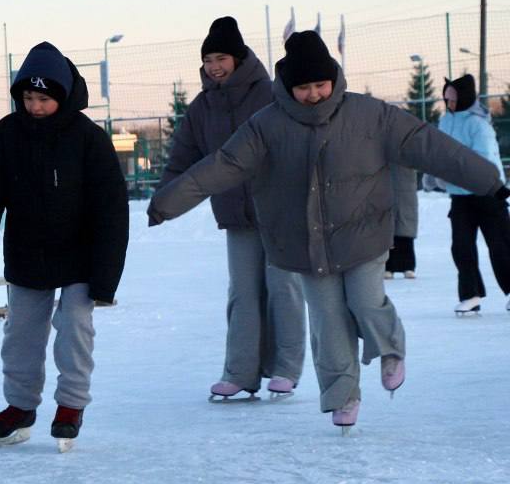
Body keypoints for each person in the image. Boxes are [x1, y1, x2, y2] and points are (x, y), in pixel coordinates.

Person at [149, 32, 508, 431]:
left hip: (363, 233)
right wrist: (167, 202)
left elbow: (428, 146)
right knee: (327, 320)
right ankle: (342, 396)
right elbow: (223, 165)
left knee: (365, 301)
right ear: (288, 87)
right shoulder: (266, 126)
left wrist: (488, 180)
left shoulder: (370, 114)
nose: (314, 94)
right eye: (303, 87)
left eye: (321, 84)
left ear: (333, 79)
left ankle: (390, 349)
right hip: (304, 241)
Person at [0, 41, 129, 450]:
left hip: (80, 256)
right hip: (28, 253)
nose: (35, 107)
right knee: (20, 333)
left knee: (74, 327)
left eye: (44, 99)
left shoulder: (89, 139)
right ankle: (20, 406)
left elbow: (111, 211)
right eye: (28, 98)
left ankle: (70, 404)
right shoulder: (8, 134)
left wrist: (105, 278)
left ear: (64, 96)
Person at [157, 17, 307, 402]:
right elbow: (183, 157)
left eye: (221, 58)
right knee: (242, 292)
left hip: (280, 210)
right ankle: (240, 372)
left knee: (283, 288)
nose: (214, 67)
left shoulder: (271, 93)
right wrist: (164, 200)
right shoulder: (202, 107)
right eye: (208, 60)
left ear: (238, 59)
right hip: (236, 213)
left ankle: (286, 368)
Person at [435, 74, 510, 314]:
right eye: (446, 99)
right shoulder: (445, 122)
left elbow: (482, 161)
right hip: (460, 196)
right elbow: (438, 152)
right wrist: (436, 171)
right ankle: (471, 294)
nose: (449, 103)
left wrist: (452, 173)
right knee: (461, 247)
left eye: (453, 99)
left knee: (500, 246)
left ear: (465, 97)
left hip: (488, 192)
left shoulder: (478, 125)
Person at [385, 166, 418, 279]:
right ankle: (388, 266)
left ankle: (408, 265)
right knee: (387, 226)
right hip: (385, 183)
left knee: (406, 226)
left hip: (406, 184)